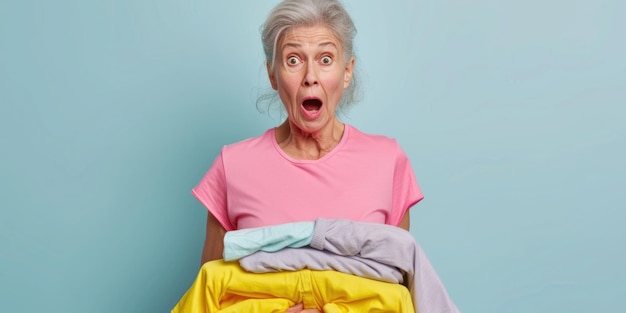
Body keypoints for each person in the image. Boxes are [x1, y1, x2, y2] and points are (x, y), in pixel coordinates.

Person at [173, 0, 450, 312]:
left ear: (347, 72)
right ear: (272, 75)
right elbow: (212, 294)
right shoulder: (232, 166)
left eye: (326, 59)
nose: (310, 76)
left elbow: (397, 294)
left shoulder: (387, 162)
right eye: (293, 60)